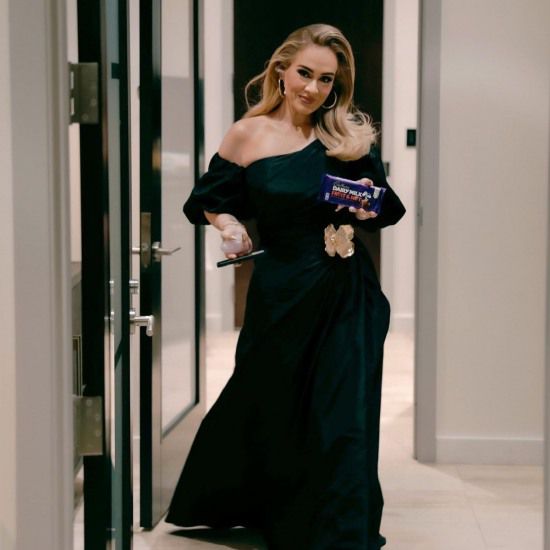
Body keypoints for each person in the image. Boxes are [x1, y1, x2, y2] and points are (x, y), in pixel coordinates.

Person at [166, 23, 405, 550]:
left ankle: (342, 530)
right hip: (282, 291)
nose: (313, 88)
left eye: (326, 80)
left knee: (343, 411)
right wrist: (230, 227)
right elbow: (209, 199)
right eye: (304, 73)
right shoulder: (247, 134)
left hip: (347, 290)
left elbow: (388, 207)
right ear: (281, 70)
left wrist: (369, 202)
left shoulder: (345, 137)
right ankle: (282, 516)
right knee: (272, 400)